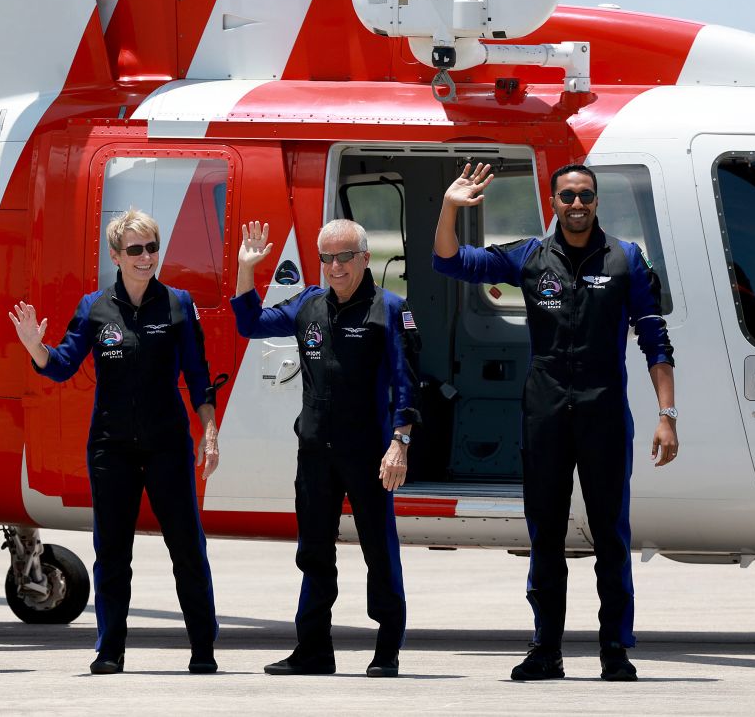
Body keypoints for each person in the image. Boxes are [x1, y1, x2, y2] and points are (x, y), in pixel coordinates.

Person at [432, 163, 678, 682]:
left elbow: (655, 339)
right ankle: (546, 648)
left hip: (605, 408)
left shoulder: (626, 259)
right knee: (544, 533)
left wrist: (667, 415)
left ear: (596, 201)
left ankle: (615, 647)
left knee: (610, 533)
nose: (577, 203)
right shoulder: (529, 256)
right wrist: (451, 205)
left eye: (585, 194)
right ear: (554, 202)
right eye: (567, 195)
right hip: (544, 410)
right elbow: (449, 261)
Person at [9, 208, 220, 675]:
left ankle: (203, 648)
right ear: (116, 255)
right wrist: (33, 346)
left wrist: (209, 431)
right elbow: (61, 364)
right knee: (112, 553)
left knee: (187, 548)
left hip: (167, 445)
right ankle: (110, 650)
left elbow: (199, 378)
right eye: (135, 250)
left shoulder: (179, 305)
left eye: (152, 248)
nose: (146, 258)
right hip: (112, 448)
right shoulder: (95, 308)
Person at [231, 218, 420, 678]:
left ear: (363, 258)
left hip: (370, 453)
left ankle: (387, 648)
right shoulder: (307, 305)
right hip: (315, 452)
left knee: (380, 550)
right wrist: (245, 271)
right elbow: (250, 323)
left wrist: (400, 443)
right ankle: (313, 649)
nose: (335, 267)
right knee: (314, 552)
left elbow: (409, 384)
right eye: (327, 258)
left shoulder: (390, 310)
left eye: (344, 257)